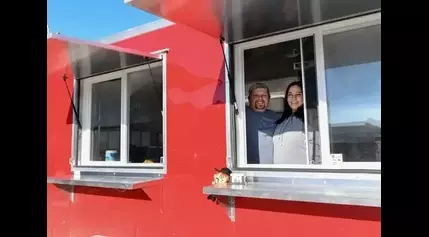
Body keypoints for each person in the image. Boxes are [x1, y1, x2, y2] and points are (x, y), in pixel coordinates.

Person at [273, 81, 319, 164]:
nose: (293, 98)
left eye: (298, 94)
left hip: (301, 174)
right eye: (290, 94)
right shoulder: (282, 120)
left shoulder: (310, 117)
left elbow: (318, 149)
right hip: (280, 175)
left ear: (305, 96)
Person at [246, 83, 279, 164]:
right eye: (256, 95)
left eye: (264, 95)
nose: (260, 98)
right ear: (249, 99)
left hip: (272, 169)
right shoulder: (241, 115)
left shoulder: (276, 117)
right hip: (248, 169)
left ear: (269, 98)